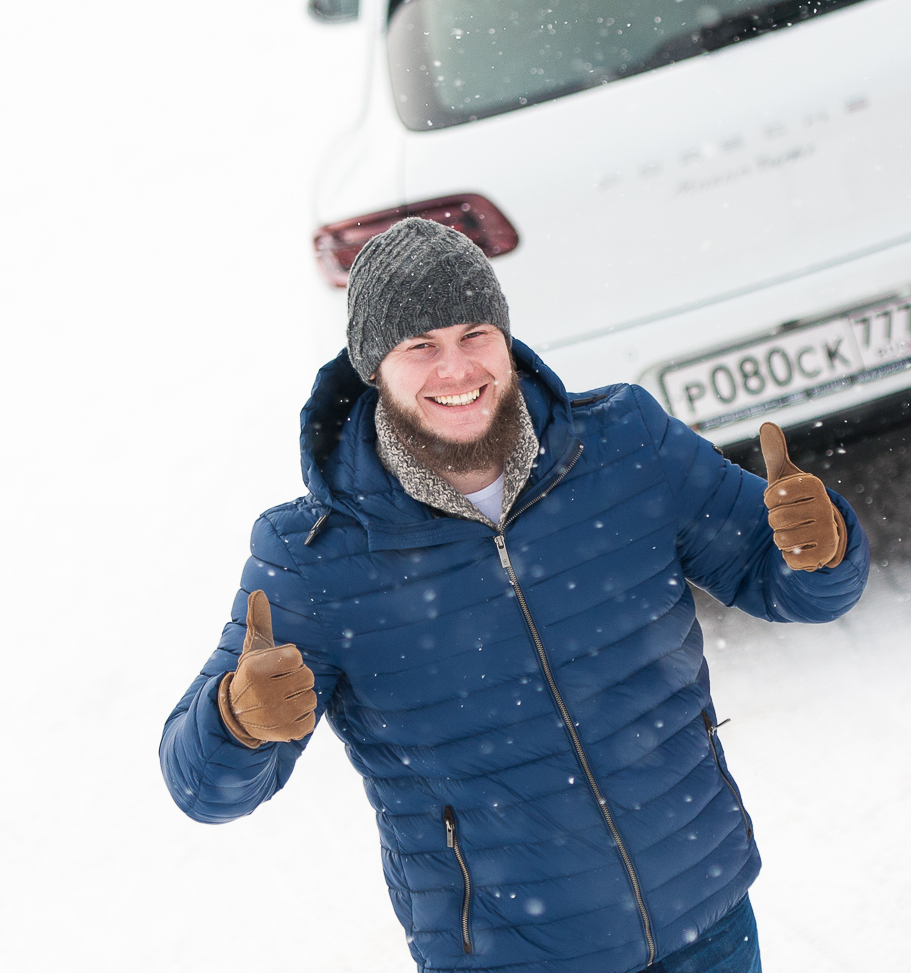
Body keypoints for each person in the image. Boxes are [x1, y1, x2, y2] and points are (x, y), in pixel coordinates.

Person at [160, 218, 870, 973]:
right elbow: (202, 788)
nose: (455, 367)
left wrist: (822, 545)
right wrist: (237, 718)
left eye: (474, 334)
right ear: (374, 368)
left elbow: (793, 583)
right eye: (419, 346)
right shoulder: (313, 560)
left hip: (707, 920)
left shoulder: (627, 443)